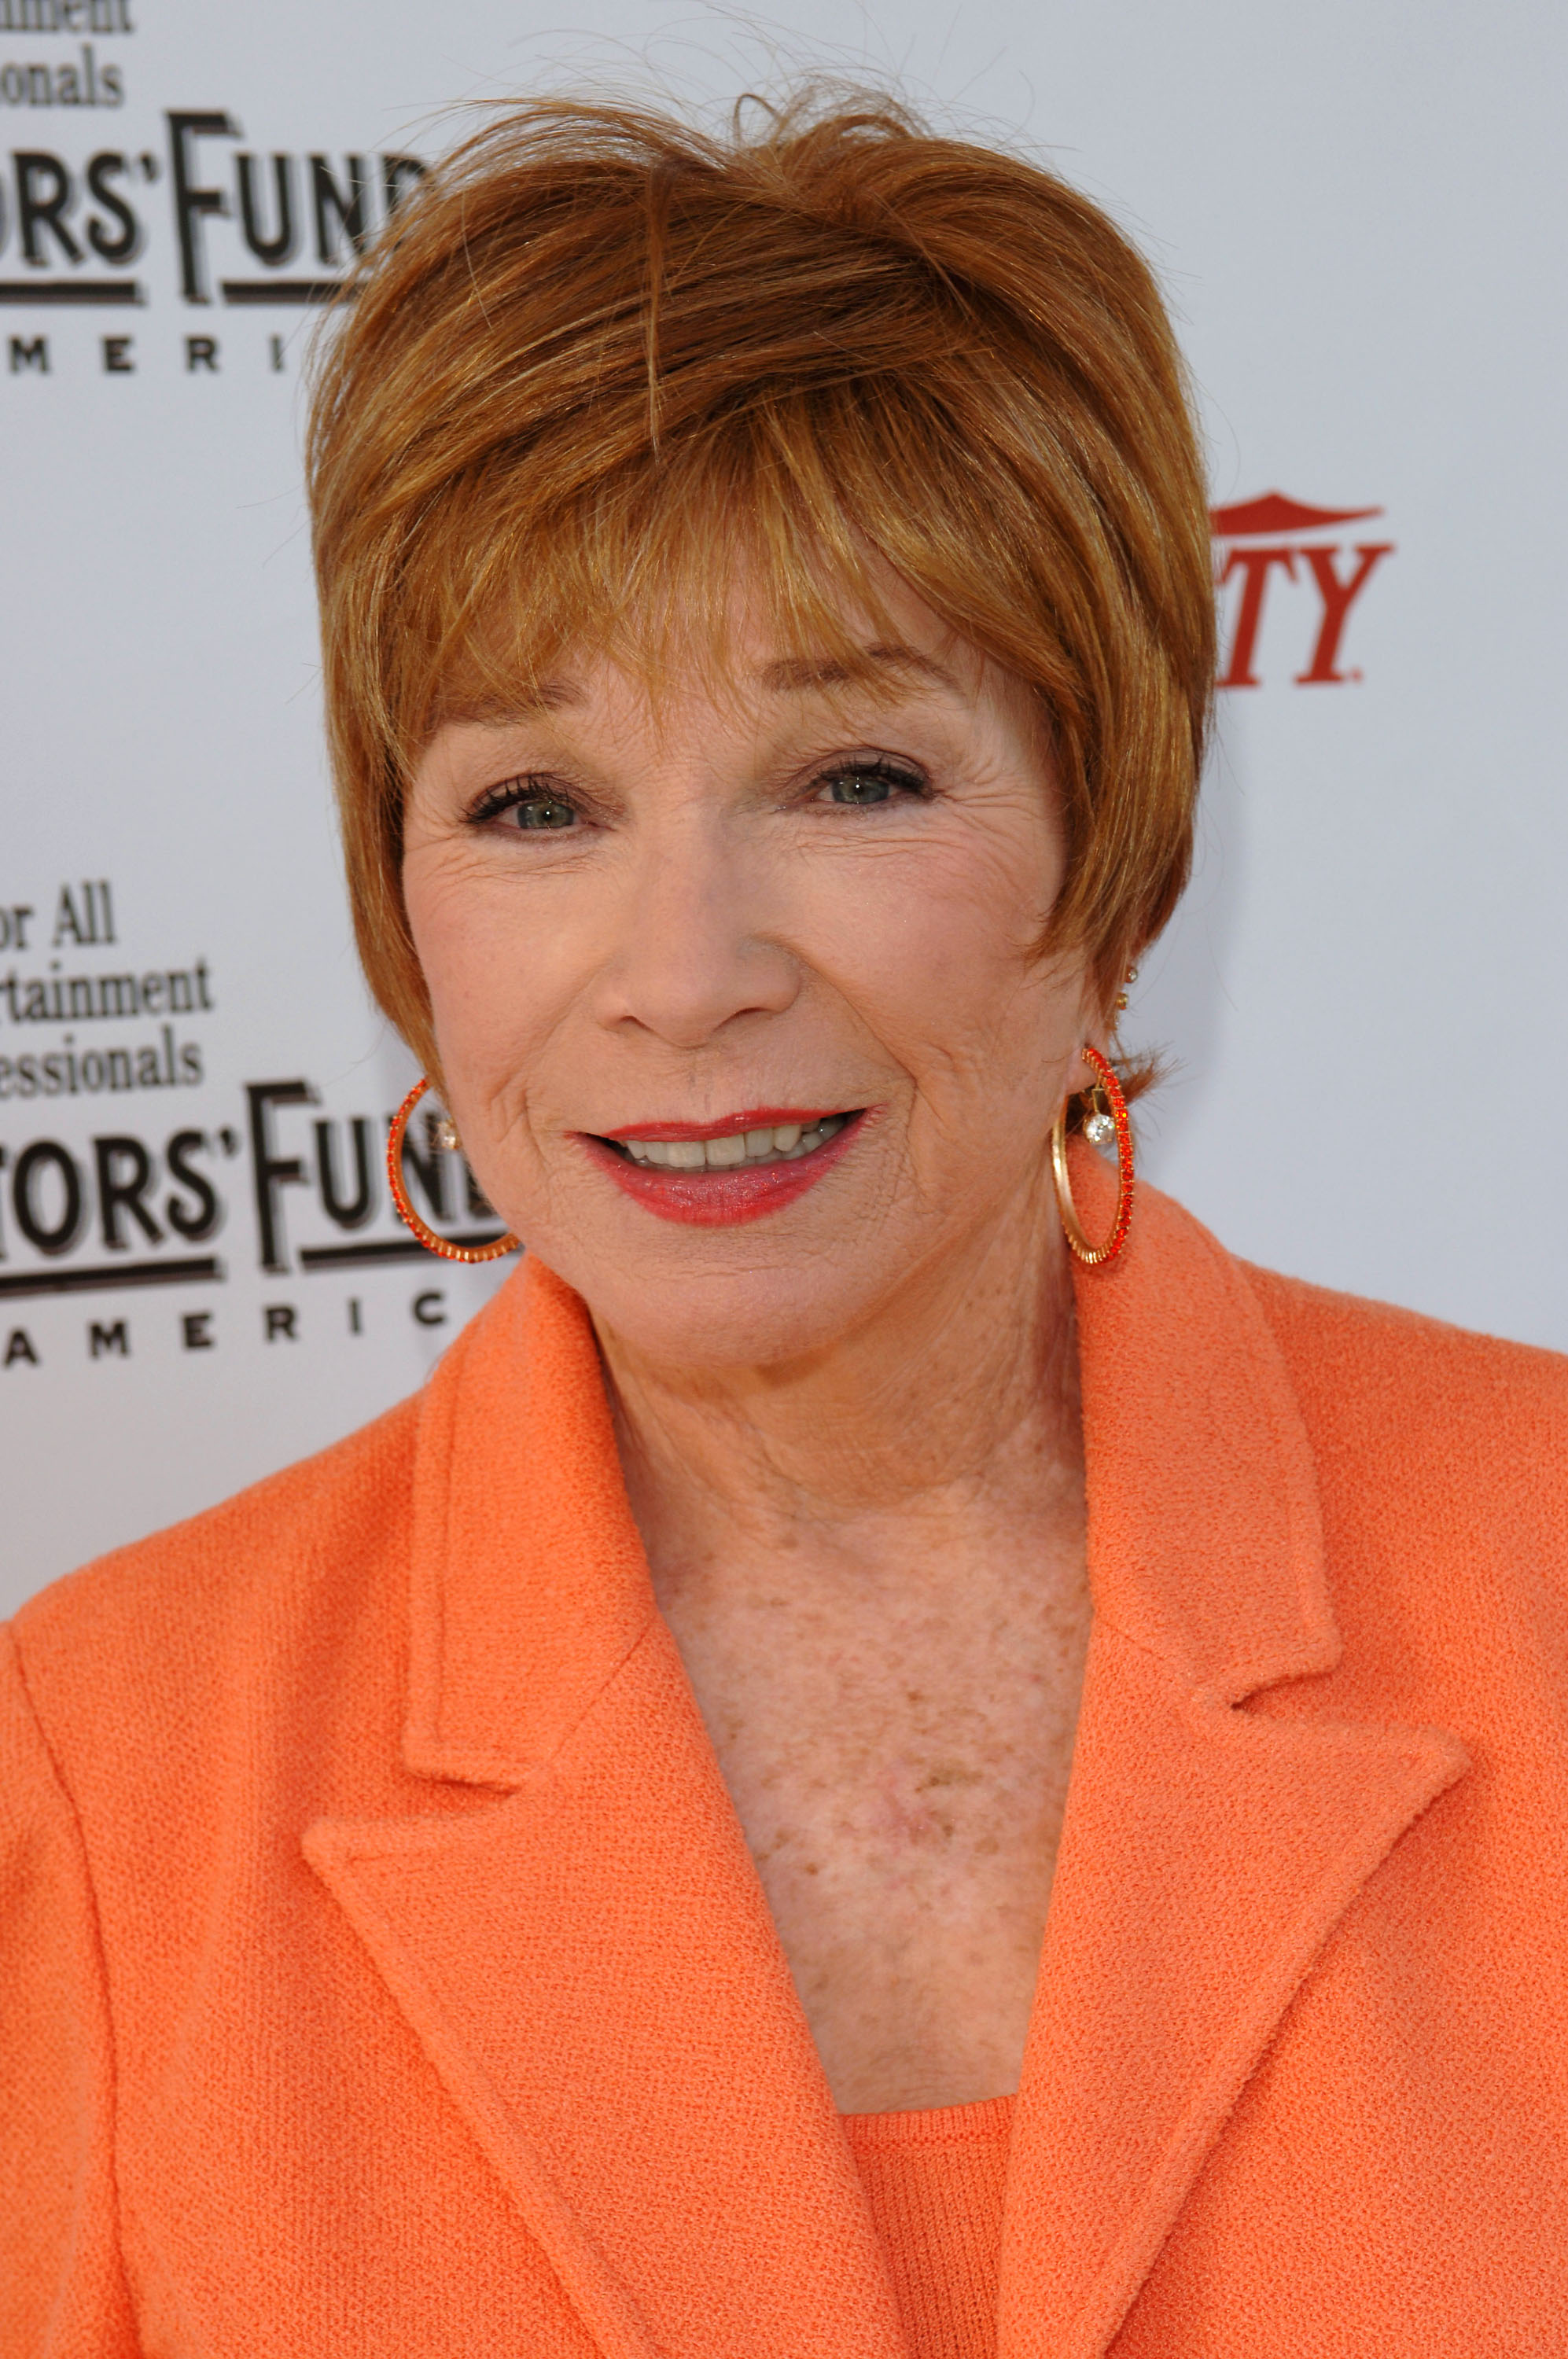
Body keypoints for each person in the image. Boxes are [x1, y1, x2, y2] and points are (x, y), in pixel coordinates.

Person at [3, 90, 1565, 2359]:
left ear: (1105, 864)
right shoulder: (116, 1763)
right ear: (406, 919)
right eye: (533, 803)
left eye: (854, 778)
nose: (682, 966)